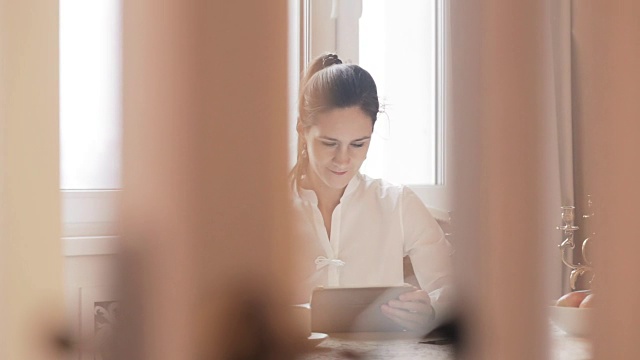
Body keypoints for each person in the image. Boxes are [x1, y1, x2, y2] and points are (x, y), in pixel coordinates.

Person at [290, 53, 453, 333]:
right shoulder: (268, 212)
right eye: (330, 143)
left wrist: (430, 310)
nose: (343, 160)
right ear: (302, 131)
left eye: (358, 144)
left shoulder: (396, 203)